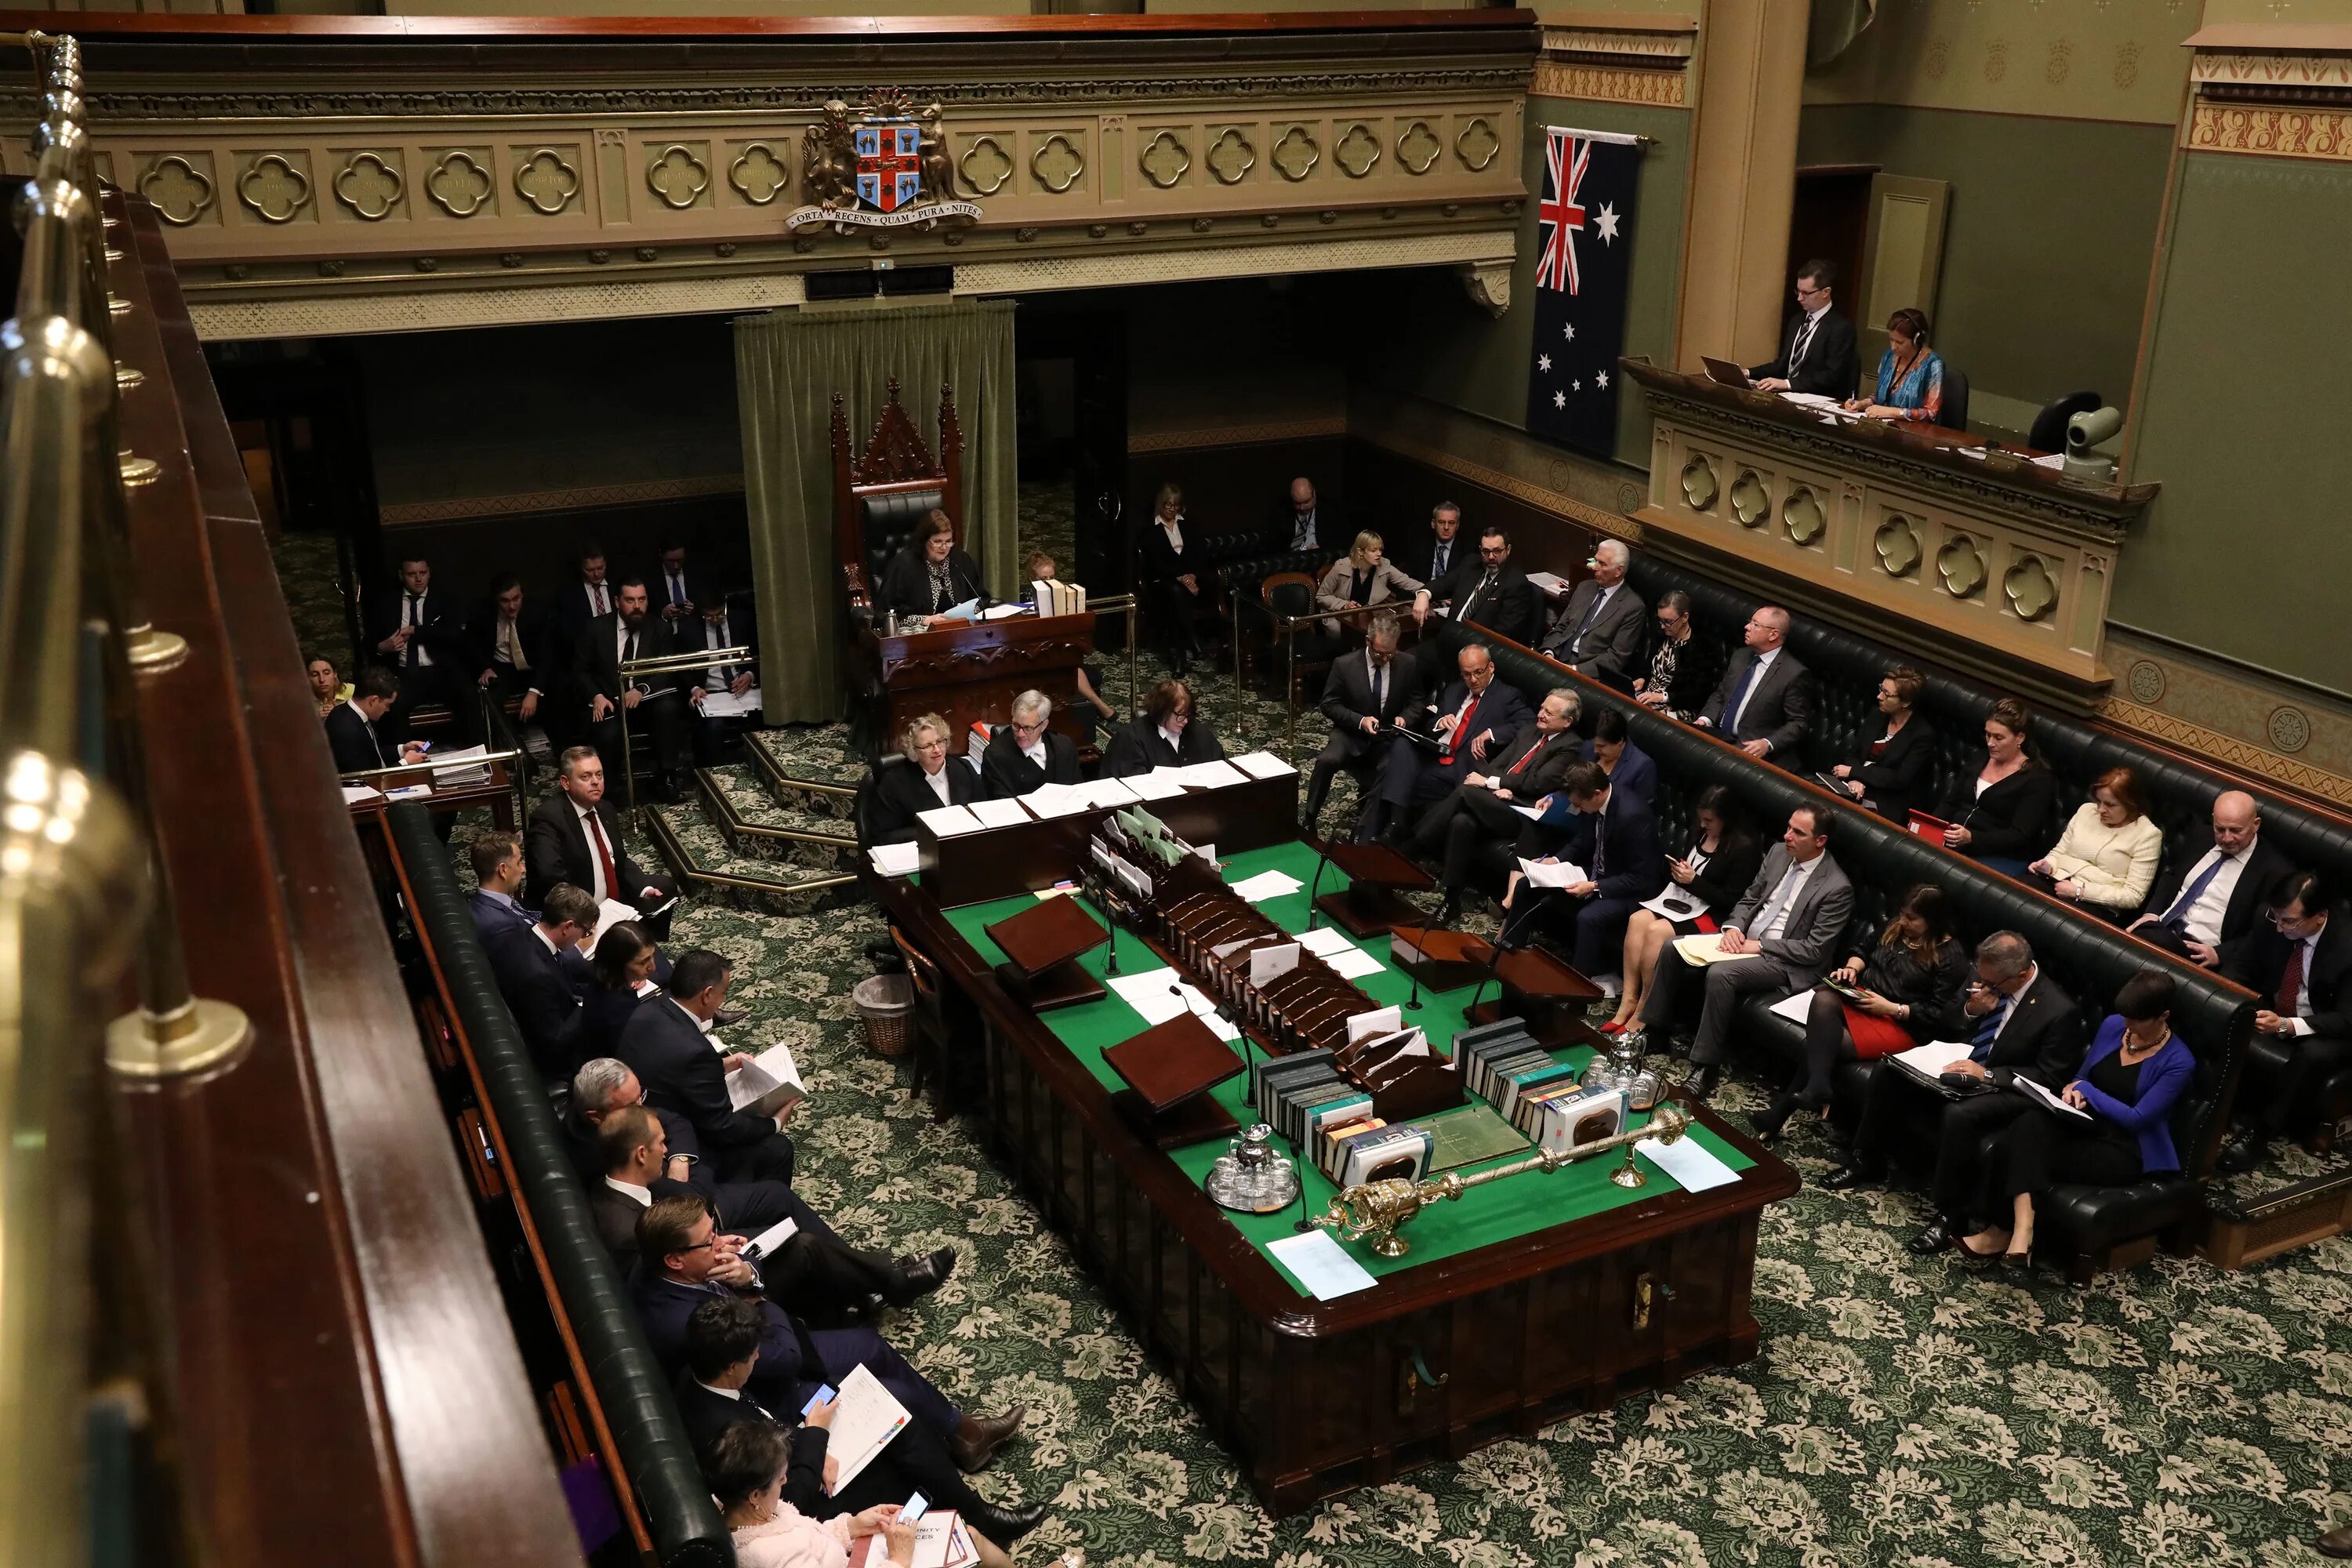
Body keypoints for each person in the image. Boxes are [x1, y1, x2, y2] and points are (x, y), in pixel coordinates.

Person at [632, 1196, 1024, 1472]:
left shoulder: (673, 1267)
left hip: (764, 1344)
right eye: (709, 1241)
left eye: (715, 1230)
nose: (719, 1242)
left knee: (868, 1342)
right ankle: (955, 1444)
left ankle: (962, 1432)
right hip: (764, 1393)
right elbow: (784, 1361)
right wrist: (754, 1290)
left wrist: (743, 1265)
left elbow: (724, 1276)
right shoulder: (682, 1323)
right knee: (889, 1392)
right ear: (675, 1259)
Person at [681, 1305, 1038, 1551]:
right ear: (731, 1366)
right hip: (803, 1502)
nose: (758, 1358)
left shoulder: (702, 1374)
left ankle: (967, 1510)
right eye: (752, 1356)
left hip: (794, 1449)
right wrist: (814, 1438)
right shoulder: (719, 1427)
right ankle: (975, 1520)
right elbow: (786, 1501)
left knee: (889, 1412)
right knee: (902, 1442)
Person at [1824, 932, 2085, 1262]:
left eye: (1993, 982)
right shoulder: (1986, 974)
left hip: (2006, 1087)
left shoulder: (2058, 1010)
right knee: (1890, 1070)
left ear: (2020, 976)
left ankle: (1950, 1214)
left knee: (1960, 1115)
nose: (1983, 982)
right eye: (1980, 975)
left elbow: (2049, 1076)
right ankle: (1866, 1158)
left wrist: (1986, 1075)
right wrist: (1970, 1010)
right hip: (1955, 1063)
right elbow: (1946, 1020)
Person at [596, 1109, 948, 1322]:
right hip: (721, 1298)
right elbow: (673, 1285)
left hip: (707, 1244)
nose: (667, 1148)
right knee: (803, 1245)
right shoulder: (626, 1234)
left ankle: (870, 1280)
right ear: (642, 1154)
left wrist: (719, 1244)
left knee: (782, 1211)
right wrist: (731, 1261)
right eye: (661, 1144)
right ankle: (888, 1282)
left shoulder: (635, 1184)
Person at [1958, 971, 2191, 1267]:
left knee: (2019, 1145)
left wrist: (2090, 1092)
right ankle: (2020, 1233)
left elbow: (2138, 1118)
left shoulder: (2179, 1061)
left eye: (2136, 1020)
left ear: (2164, 1016)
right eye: (2126, 1017)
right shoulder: (2113, 1026)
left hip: (2123, 1147)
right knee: (2028, 1122)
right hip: (2083, 1122)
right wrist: (2073, 1092)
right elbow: (2082, 1076)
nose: (2128, 1026)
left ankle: (2005, 1233)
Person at [1638, 805, 1854, 1102]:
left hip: (1784, 961)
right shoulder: (1779, 853)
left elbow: (1814, 949)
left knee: (1721, 974)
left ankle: (1706, 1066)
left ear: (1821, 840)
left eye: (1798, 833)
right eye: (1788, 827)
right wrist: (1733, 928)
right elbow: (1750, 898)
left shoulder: (1836, 887)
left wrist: (1761, 946)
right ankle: (1656, 1033)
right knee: (1672, 947)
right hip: (1743, 942)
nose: (1787, 836)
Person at [1749, 884, 1969, 1142]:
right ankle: (1817, 1086)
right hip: (1864, 1000)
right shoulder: (1896, 928)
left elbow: (1939, 1014)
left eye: (1912, 918)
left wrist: (1892, 1009)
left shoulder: (1951, 956)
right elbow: (1862, 950)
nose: (1903, 922)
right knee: (1823, 998)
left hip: (1901, 1024)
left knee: (1825, 1042)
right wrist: (1851, 969)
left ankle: (1785, 1109)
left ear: (1933, 920)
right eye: (1901, 914)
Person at [619, 949, 800, 1185]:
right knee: (778, 1148)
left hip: (644, 1114)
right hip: (676, 1139)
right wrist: (775, 1123)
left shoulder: (648, 1008)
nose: (722, 1001)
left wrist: (721, 1065)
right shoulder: (696, 1052)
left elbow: (670, 1064)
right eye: (723, 994)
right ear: (707, 995)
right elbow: (723, 1127)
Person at [2216, 872, 2352, 1174]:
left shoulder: (2347, 949)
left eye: (2288, 922)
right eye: (2276, 918)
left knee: (2313, 1054)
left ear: (2319, 917)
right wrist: (2241, 1005)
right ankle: (2215, 1101)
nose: (2279, 928)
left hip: (2329, 1028)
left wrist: (2288, 1026)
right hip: (2277, 1008)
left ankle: (2260, 1132)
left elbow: (2346, 1019)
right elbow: (2240, 966)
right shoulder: (2273, 921)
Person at [1602, 786, 1762, 1034]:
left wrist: (1694, 882)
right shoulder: (1699, 832)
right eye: (1702, 818)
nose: (1704, 824)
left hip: (1713, 914)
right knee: (1638, 920)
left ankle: (1646, 1006)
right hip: (1681, 901)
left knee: (1656, 931)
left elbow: (1732, 900)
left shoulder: (1745, 847)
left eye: (1710, 820)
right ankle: (1628, 999)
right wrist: (1679, 874)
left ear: (1727, 818)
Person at [1492, 760, 1661, 977]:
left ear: (1597, 794)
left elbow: (1641, 878)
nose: (1579, 809)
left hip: (1626, 890)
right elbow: (1583, 841)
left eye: (1580, 806)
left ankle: (1577, 988)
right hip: (1593, 872)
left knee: (1589, 918)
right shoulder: (1594, 803)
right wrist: (1555, 860)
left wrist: (1595, 886)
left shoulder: (1634, 816)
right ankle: (1507, 953)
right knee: (1527, 884)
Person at [1418, 688, 1584, 909]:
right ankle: (1451, 900)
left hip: (1521, 812)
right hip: (1495, 801)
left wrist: (1496, 785)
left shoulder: (1570, 746)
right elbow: (1496, 766)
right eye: (1542, 708)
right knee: (1462, 822)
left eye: (1549, 713)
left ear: (1567, 722)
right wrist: (1492, 784)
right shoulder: (1529, 731)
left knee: (1465, 792)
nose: (1540, 715)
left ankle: (1416, 841)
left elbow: (1538, 782)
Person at [2126, 789, 2292, 967]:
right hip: (2160, 929)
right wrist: (2151, 913)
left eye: (2236, 831)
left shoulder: (2274, 870)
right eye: (2220, 829)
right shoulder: (2200, 837)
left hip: (2199, 950)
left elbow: (2262, 932)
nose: (2227, 838)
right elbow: (2171, 876)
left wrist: (2220, 953)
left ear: (2256, 824)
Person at [1376, 643, 1530, 829]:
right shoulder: (1454, 690)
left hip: (1459, 765)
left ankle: (1383, 830)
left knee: (1389, 771)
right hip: (1433, 753)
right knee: (1401, 745)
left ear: (1491, 668)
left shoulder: (1507, 695)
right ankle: (1393, 826)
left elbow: (1528, 723)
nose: (1473, 680)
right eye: (1466, 674)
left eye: (1478, 672)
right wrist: (1439, 723)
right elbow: (1430, 722)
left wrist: (1491, 734)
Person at [1305, 615, 1424, 842]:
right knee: (1327, 760)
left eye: (1390, 653)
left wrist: (1405, 718)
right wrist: (1360, 721)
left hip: (1386, 738)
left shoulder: (1407, 664)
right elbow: (1329, 704)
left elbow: (1417, 700)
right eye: (1380, 653)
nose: (1385, 658)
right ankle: (1310, 818)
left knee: (1392, 768)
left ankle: (1361, 833)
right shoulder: (1345, 664)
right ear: (1368, 642)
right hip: (1350, 734)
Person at [575, 575, 693, 804]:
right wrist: (597, 696)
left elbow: (667, 669)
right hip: (610, 701)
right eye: (630, 600)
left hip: (646, 700)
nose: (637, 606)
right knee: (608, 732)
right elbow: (580, 670)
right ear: (618, 601)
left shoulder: (661, 629)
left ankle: (667, 777)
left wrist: (641, 689)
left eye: (642, 599)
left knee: (668, 709)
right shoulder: (596, 629)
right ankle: (609, 787)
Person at [527, 746, 678, 922]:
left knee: (664, 886)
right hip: (576, 912)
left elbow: (617, 858)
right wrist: (588, 916)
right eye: (586, 776)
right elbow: (551, 879)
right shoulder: (548, 818)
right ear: (565, 782)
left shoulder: (605, 809)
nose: (595, 782)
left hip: (612, 903)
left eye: (599, 775)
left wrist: (642, 888)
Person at [483, 883, 598, 1077]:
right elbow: (554, 1043)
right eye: (585, 932)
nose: (584, 937)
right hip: (551, 1063)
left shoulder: (518, 933)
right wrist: (586, 1004)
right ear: (568, 926)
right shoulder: (538, 976)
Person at [1933, 696, 2057, 877]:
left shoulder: (2037, 778)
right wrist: (1931, 827)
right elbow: (1951, 802)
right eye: (1988, 734)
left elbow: (2019, 835)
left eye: (1999, 737)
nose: (1990, 742)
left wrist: (1972, 838)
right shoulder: (1980, 759)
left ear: (2020, 738)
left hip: (2000, 856)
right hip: (1953, 842)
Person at [365, 554, 483, 744]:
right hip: (404, 673)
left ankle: (478, 753)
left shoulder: (444, 599)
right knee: (393, 707)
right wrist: (382, 647)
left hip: (441, 670)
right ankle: (406, 760)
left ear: (429, 573)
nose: (419, 579)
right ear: (401, 575)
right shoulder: (386, 603)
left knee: (470, 697)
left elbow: (454, 634)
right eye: (412, 574)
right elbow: (369, 642)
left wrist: (417, 631)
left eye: (423, 573)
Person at [2032, 767, 2164, 922]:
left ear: (2131, 804)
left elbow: (2133, 896)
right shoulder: (2086, 811)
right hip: (2056, 880)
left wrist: (2079, 892)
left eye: (2110, 804)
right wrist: (2047, 865)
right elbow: (2060, 851)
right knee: (2020, 890)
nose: (2101, 810)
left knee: (2057, 918)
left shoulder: (2147, 835)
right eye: (2099, 801)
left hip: (2097, 904)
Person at [1695, 606, 1811, 761]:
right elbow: (1722, 693)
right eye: (1750, 622)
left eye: (1755, 624)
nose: (1747, 627)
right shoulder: (1740, 656)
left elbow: (1798, 723)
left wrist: (1767, 743)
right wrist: (1705, 719)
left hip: (1751, 751)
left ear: (1773, 635)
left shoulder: (1793, 673)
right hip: (1717, 736)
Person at [1827, 666, 1937, 824]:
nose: (1879, 696)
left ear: (1905, 702)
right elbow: (1853, 753)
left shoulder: (1922, 735)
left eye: (1887, 694)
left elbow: (1899, 778)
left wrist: (1855, 772)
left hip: (1886, 800)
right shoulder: (1877, 715)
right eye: (1881, 689)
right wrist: (1854, 780)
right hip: (1852, 786)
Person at [1748, 258, 1859, 399]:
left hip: (1818, 402)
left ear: (1826, 292)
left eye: (1806, 293)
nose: (1799, 298)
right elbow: (1782, 365)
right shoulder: (1796, 321)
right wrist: (1748, 373)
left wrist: (1788, 384)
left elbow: (1832, 376)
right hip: (1787, 398)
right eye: (1798, 292)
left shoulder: (1841, 328)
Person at [1539, 539, 1646, 684]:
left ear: (1619, 571)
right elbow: (1561, 627)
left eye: (1602, 564)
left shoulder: (1632, 607)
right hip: (1556, 657)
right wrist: (1549, 653)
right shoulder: (1585, 588)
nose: (1595, 567)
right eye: (1596, 561)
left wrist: (1574, 669)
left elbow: (1616, 658)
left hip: (1586, 673)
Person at [1025, 551, 1116, 721]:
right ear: (1032, 579)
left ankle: (1096, 711)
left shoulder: (1062, 596)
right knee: (1072, 668)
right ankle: (1102, 708)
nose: (1050, 583)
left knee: (1073, 666)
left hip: (1061, 650)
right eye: (1044, 579)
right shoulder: (1025, 600)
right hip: (1038, 656)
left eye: (1052, 577)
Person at [470, 572, 559, 742]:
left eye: (516, 598)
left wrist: (534, 692)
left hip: (534, 668)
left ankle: (561, 747)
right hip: (502, 668)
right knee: (488, 701)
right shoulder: (481, 612)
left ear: (522, 594)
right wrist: (485, 667)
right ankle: (516, 751)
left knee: (559, 688)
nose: (512, 606)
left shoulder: (538, 612)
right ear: (496, 600)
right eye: (505, 601)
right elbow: (471, 644)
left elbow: (548, 656)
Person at [869, 714, 985, 843]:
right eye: (927, 746)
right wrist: (928, 833)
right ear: (914, 750)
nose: (937, 750)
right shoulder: (894, 783)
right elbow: (883, 835)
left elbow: (983, 812)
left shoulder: (964, 769)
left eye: (940, 741)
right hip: (922, 852)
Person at [1427, 527, 1540, 646]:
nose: (1491, 557)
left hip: (1476, 649)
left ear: (1508, 550)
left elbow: (1502, 633)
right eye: (1486, 552)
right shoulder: (1471, 564)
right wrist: (1425, 593)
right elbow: (1444, 583)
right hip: (1447, 639)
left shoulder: (1516, 583)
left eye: (1496, 551)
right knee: (1408, 660)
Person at [686, 593, 760, 768]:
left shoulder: (742, 620)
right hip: (710, 695)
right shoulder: (689, 628)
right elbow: (682, 669)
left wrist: (750, 676)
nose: (715, 619)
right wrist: (694, 688)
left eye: (720, 614)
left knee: (763, 718)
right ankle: (717, 776)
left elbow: (760, 654)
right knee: (713, 728)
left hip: (743, 691)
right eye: (709, 616)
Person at [1137, 481, 1203, 677]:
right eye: (1168, 505)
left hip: (1189, 581)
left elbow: (1199, 554)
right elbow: (1156, 564)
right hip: (1161, 581)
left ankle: (1180, 658)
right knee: (1174, 592)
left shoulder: (1189, 525)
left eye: (1176, 506)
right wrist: (1181, 578)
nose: (1172, 510)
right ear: (1161, 505)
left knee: (1177, 602)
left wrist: (1191, 576)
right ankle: (1192, 639)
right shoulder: (1150, 530)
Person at [1312, 530, 1427, 642]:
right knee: (1350, 634)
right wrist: (1344, 605)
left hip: (1368, 615)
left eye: (1380, 550)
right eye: (1373, 550)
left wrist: (1430, 591)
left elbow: (1407, 582)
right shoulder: (1341, 567)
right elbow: (1321, 596)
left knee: (1386, 632)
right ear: (1360, 551)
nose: (1379, 554)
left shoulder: (1383, 565)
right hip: (1340, 615)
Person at [877, 510, 986, 626]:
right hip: (920, 637)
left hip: (959, 632)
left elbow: (982, 599)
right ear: (924, 540)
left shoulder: (960, 560)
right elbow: (886, 615)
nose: (944, 548)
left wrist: (968, 611)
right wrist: (925, 620)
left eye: (948, 541)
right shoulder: (904, 565)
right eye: (938, 542)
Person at [1102, 679, 1226, 775]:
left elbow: (1219, 767)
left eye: (1188, 715)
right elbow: (1133, 783)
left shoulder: (1198, 731)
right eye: (1180, 715)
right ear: (1162, 711)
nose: (1185, 721)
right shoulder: (1130, 739)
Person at [583, 918, 666, 1060]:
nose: (653, 967)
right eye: (643, 962)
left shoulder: (606, 978)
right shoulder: (617, 1010)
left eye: (653, 956)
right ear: (619, 964)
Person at [1844, 307, 1946, 424]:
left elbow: (1931, 413)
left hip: (1914, 433)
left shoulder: (1933, 365)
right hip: (1883, 428)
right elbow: (1880, 398)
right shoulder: (1889, 356)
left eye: (1899, 342)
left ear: (1917, 340)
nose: (1893, 347)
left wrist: (1892, 412)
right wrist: (1862, 404)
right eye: (1891, 340)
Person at [1631, 590, 1720, 723]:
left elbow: (1697, 692)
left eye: (1668, 621)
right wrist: (1642, 679)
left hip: (1677, 707)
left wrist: (1663, 697)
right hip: (1647, 698)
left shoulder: (1700, 648)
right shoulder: (1662, 635)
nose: (1662, 626)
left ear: (1685, 617)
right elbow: (1648, 667)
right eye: (1660, 620)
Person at [325, 664, 430, 774]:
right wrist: (405, 764)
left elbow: (370, 755)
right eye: (387, 704)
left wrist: (402, 749)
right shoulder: (347, 730)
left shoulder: (347, 712)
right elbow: (365, 779)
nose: (388, 710)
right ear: (373, 700)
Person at [979, 689, 1079, 799]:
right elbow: (1001, 802)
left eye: (1028, 728)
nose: (1020, 734)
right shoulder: (995, 755)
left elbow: (1077, 791)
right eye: (1016, 725)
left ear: (1044, 725)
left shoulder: (1064, 747)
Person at [468, 831, 535, 943]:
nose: (523, 869)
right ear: (503, 870)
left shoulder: (478, 903)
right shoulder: (505, 927)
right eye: (518, 863)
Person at [1581, 707, 1656, 807]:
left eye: (1601, 746)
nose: (1595, 750)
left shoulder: (1642, 767)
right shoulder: (1588, 747)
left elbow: (1640, 810)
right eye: (1595, 744)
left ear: (1619, 741)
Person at [556, 541, 619, 654]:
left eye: (600, 568)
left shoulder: (617, 587)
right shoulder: (570, 594)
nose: (596, 574)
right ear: (581, 568)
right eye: (590, 570)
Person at [1399, 500, 1465, 587]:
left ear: (1457, 525)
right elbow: (1409, 577)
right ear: (1433, 524)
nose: (1446, 527)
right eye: (1441, 522)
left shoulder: (1466, 551)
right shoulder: (1419, 546)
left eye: (1451, 523)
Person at [655, 537, 713, 628]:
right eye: (670, 561)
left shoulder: (697, 574)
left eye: (680, 560)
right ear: (661, 555)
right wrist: (663, 615)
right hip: (664, 636)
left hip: (694, 633)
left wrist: (695, 610)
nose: (676, 566)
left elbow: (710, 606)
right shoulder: (650, 580)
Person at [1283, 475, 1326, 553]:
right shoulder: (1282, 512)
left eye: (1306, 502)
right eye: (1298, 503)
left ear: (1314, 495)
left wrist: (1321, 551)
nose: (1302, 508)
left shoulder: (1328, 511)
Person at [307, 652, 352, 719]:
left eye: (327, 673)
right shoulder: (303, 700)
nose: (322, 680)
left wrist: (340, 714)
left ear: (335, 674)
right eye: (315, 675)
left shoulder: (351, 692)